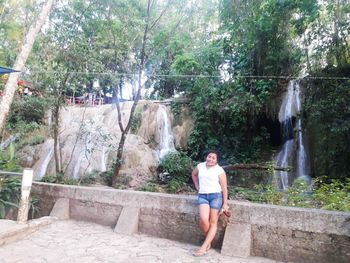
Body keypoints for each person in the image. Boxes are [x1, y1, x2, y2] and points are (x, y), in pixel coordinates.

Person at [191, 150, 229, 257]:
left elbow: (224, 188)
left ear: (216, 161)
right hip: (203, 196)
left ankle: (204, 247)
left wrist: (225, 204)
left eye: (213, 158)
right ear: (206, 157)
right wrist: (197, 187)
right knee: (203, 220)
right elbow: (194, 175)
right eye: (209, 156)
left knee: (213, 222)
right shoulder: (200, 166)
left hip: (216, 197)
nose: (210, 159)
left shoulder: (219, 170)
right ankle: (208, 242)